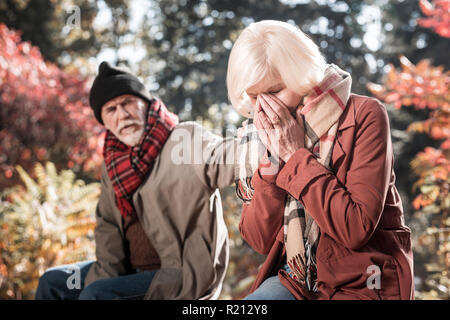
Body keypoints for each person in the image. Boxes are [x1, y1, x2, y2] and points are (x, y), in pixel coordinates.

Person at [228, 20, 414, 300]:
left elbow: (355, 228)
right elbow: (260, 240)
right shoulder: (257, 136)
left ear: (300, 75)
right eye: (254, 97)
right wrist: (271, 166)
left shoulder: (365, 114)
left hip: (364, 280)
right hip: (298, 280)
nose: (265, 107)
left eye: (276, 91)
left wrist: (293, 155)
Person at [36, 62, 238, 300]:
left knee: (97, 295)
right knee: (53, 282)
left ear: (146, 102)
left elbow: (223, 156)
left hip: (177, 275)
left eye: (127, 103)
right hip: (128, 274)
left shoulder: (183, 140)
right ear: (104, 121)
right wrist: (103, 279)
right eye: (110, 109)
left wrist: (263, 145)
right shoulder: (113, 162)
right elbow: (108, 227)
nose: (122, 115)